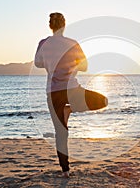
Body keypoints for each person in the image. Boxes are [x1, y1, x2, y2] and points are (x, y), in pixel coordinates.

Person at [34, 12, 108, 178]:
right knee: (103, 100)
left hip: (53, 92)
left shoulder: (43, 43)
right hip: (72, 89)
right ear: (64, 25)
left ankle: (65, 171)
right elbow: (85, 66)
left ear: (50, 26)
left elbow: (38, 63)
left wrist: (50, 63)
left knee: (61, 133)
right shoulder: (72, 43)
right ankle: (71, 109)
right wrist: (72, 66)